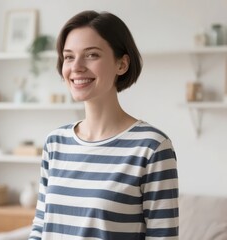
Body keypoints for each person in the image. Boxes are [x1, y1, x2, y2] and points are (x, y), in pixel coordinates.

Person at [29, 10, 178, 240]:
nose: (76, 66)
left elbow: (163, 236)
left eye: (91, 55)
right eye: (69, 56)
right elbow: (40, 229)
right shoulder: (55, 142)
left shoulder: (152, 147)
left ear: (122, 64)